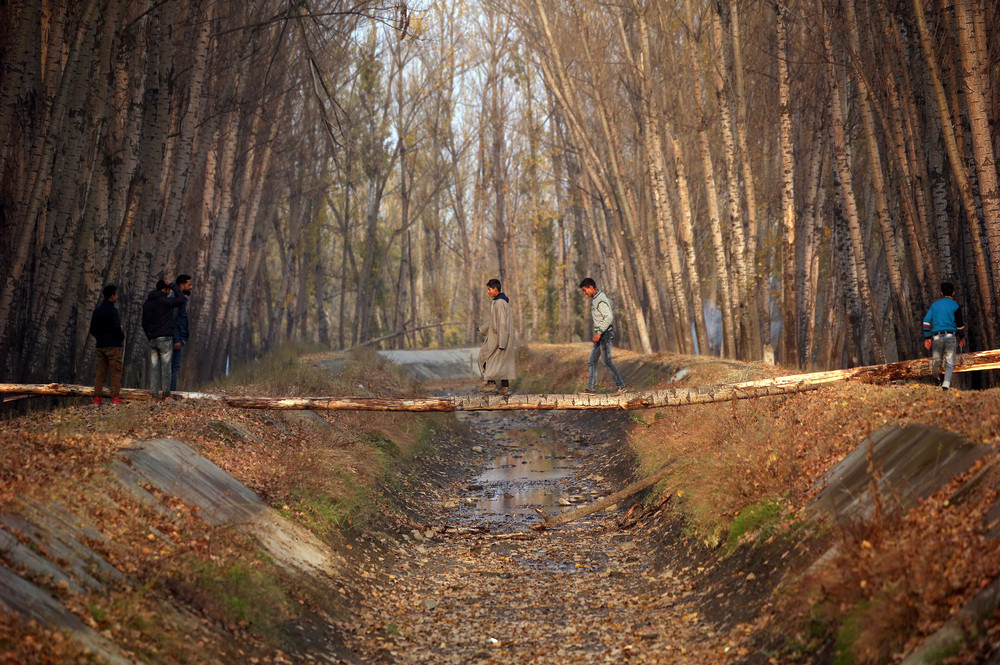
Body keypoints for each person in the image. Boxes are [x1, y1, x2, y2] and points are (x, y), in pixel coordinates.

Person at [580, 277, 626, 394]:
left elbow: (609, 317)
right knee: (592, 360)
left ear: (591, 287)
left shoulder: (600, 299)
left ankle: (621, 386)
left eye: (585, 290)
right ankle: (591, 388)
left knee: (606, 361)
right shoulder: (596, 298)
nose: (585, 293)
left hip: (605, 334)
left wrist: (599, 332)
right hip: (601, 334)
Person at [141, 279, 184, 401]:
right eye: (168, 290)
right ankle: (166, 395)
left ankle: (154, 396)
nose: (169, 292)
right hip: (165, 338)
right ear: (164, 289)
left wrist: (149, 336)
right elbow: (180, 299)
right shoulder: (164, 301)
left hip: (153, 339)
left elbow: (143, 322)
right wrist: (174, 285)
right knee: (166, 367)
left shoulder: (147, 303)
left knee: (154, 368)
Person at [923, 281, 966, 390]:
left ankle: (936, 379)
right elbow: (960, 325)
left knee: (936, 360)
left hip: (937, 337)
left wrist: (927, 337)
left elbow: (926, 322)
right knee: (950, 361)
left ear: (941, 293)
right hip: (950, 337)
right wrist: (962, 337)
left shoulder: (934, 305)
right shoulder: (955, 306)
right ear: (953, 292)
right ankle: (946, 384)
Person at [478, 278, 516, 395]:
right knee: (500, 363)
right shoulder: (498, 302)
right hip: (497, 337)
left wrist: (502, 342)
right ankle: (504, 387)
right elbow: (493, 321)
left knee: (485, 358)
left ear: (495, 289)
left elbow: (502, 324)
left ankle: (491, 384)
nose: (488, 292)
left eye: (489, 289)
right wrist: (482, 329)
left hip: (498, 338)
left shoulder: (499, 303)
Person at [89, 284, 125, 405]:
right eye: (116, 294)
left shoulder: (97, 310)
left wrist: (100, 338)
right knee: (115, 372)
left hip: (100, 345)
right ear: (112, 296)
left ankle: (97, 399)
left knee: (100, 373)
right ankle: (115, 398)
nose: (117, 296)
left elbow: (92, 329)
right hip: (113, 346)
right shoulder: (113, 311)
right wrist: (120, 337)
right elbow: (116, 328)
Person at [169, 274, 192, 393]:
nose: (191, 287)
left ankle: (169, 394)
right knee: (174, 367)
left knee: (173, 367)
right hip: (176, 339)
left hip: (179, 338)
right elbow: (174, 320)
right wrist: (177, 339)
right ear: (182, 285)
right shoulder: (177, 300)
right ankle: (171, 394)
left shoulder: (179, 300)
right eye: (189, 284)